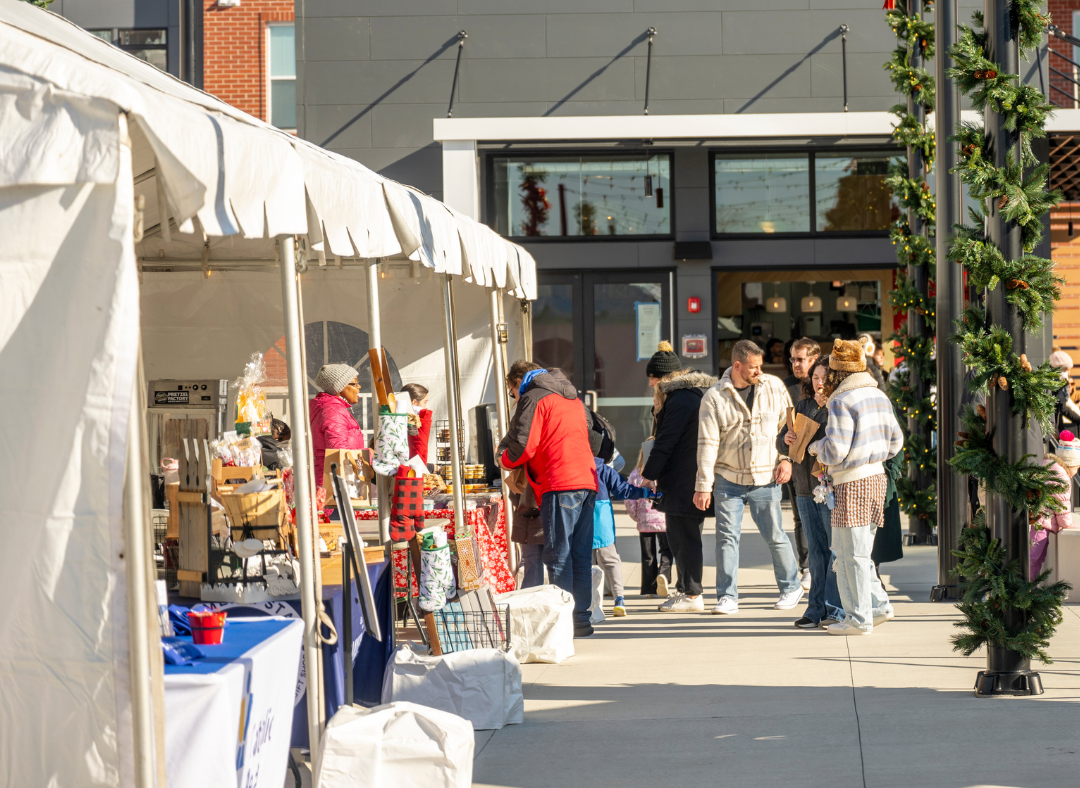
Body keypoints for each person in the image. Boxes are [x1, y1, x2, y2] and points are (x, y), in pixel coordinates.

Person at [695, 340, 803, 615]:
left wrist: (787, 459)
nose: (759, 371)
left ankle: (791, 587)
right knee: (726, 539)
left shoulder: (774, 387)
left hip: (766, 476)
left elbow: (790, 427)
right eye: (754, 367)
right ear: (737, 365)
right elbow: (707, 444)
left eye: (760, 366)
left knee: (775, 535)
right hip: (727, 478)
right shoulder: (714, 397)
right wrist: (703, 485)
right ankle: (727, 596)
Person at [807, 339, 904, 635]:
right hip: (876, 478)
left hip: (851, 482)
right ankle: (878, 607)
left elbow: (835, 450)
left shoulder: (841, 400)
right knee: (859, 551)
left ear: (838, 371)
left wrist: (816, 447)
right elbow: (896, 442)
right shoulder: (879, 395)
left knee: (850, 554)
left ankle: (858, 619)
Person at [497, 362, 599, 637]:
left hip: (559, 482)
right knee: (579, 555)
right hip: (587, 481)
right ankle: (581, 620)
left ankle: (562, 623)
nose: (514, 396)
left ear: (518, 382)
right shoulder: (572, 396)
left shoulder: (533, 397)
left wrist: (503, 459)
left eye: (511, 391)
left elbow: (524, 446)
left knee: (559, 556)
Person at [642, 368, 717, 613]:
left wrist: (648, 475)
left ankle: (692, 594)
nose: (651, 384)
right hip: (697, 479)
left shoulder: (680, 399)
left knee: (683, 540)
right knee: (688, 538)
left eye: (653, 378)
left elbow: (665, 441)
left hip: (681, 481)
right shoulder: (703, 394)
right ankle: (687, 590)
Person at [778, 357, 845, 629]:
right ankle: (815, 609)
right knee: (815, 553)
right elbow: (781, 441)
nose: (819, 383)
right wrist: (786, 439)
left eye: (824, 378)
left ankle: (835, 609)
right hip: (804, 488)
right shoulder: (803, 406)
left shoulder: (839, 406)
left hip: (829, 488)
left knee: (834, 551)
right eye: (815, 377)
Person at [783, 337, 821, 590]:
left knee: (825, 517)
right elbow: (780, 427)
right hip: (795, 462)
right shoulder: (785, 387)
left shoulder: (827, 386)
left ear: (814, 359)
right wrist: (783, 454)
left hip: (823, 464)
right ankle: (806, 567)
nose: (795, 364)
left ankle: (822, 566)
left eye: (800, 359)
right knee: (800, 517)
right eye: (792, 359)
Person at [592, 456, 652, 617]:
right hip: (601, 516)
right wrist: (645, 492)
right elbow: (623, 490)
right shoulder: (603, 469)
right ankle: (619, 599)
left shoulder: (572, 465)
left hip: (579, 517)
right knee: (611, 560)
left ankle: (589, 602)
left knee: (585, 563)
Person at [1030, 431, 1080, 578]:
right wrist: (1067, 523)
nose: (1076, 471)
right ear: (1071, 464)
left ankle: (1030, 585)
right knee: (1034, 557)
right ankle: (1025, 585)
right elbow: (1061, 504)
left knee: (1036, 558)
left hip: (1039, 519)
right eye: (1077, 467)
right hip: (1041, 522)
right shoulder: (1062, 476)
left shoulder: (1051, 466)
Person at [309, 363, 364, 490]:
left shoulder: (331, 409)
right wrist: (369, 455)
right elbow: (339, 453)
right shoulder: (334, 412)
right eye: (354, 383)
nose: (359, 386)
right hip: (334, 488)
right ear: (340, 388)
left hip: (336, 482)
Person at [626, 453, 672, 598]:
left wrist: (636, 516)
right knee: (667, 550)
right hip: (664, 519)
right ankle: (663, 573)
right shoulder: (666, 470)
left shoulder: (636, 475)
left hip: (645, 520)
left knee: (648, 555)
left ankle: (649, 589)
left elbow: (629, 499)